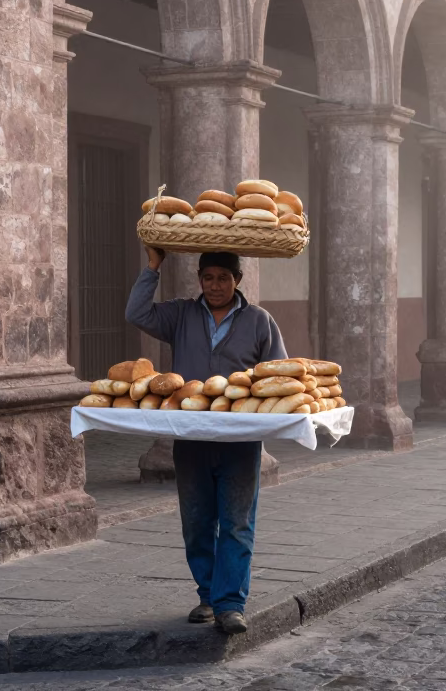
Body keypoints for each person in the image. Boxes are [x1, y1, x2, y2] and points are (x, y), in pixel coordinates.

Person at [126, 246, 286, 635]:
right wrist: (152, 267)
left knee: (236, 523)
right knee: (197, 522)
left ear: (238, 281)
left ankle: (231, 604)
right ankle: (208, 595)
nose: (216, 286)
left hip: (239, 441)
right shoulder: (181, 314)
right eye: (209, 278)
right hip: (192, 438)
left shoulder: (260, 321)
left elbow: (277, 374)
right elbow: (136, 313)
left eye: (224, 278)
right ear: (200, 280)